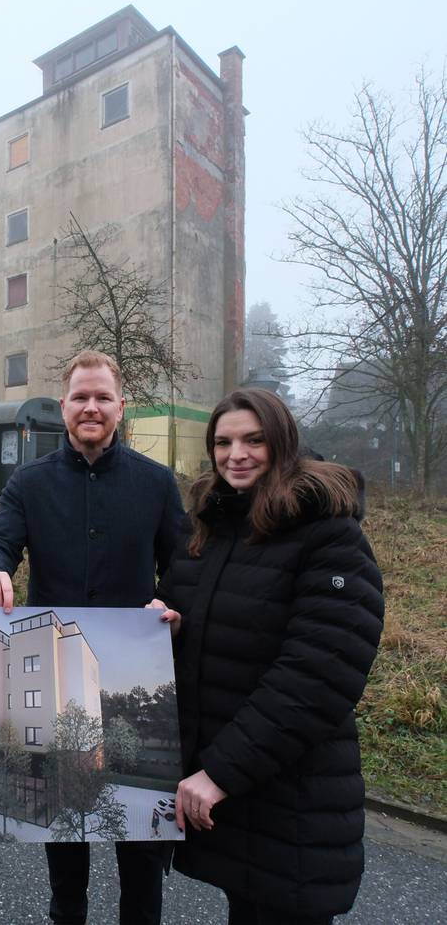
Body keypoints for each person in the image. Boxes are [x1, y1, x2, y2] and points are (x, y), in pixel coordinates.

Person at [149, 388, 384, 925]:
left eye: (254, 440)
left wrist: (220, 773)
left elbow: (319, 676)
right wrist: (174, 626)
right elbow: (203, 624)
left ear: (282, 443)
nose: (237, 454)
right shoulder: (209, 530)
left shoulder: (329, 536)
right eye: (223, 442)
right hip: (238, 796)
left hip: (291, 798)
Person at [0, 350, 186, 925]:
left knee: (142, 857)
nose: (91, 407)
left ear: (120, 407)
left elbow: (187, 569)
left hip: (134, 681)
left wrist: (175, 604)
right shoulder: (29, 483)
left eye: (103, 397)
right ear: (64, 407)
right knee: (65, 845)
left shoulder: (157, 484)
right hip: (60, 677)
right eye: (80, 398)